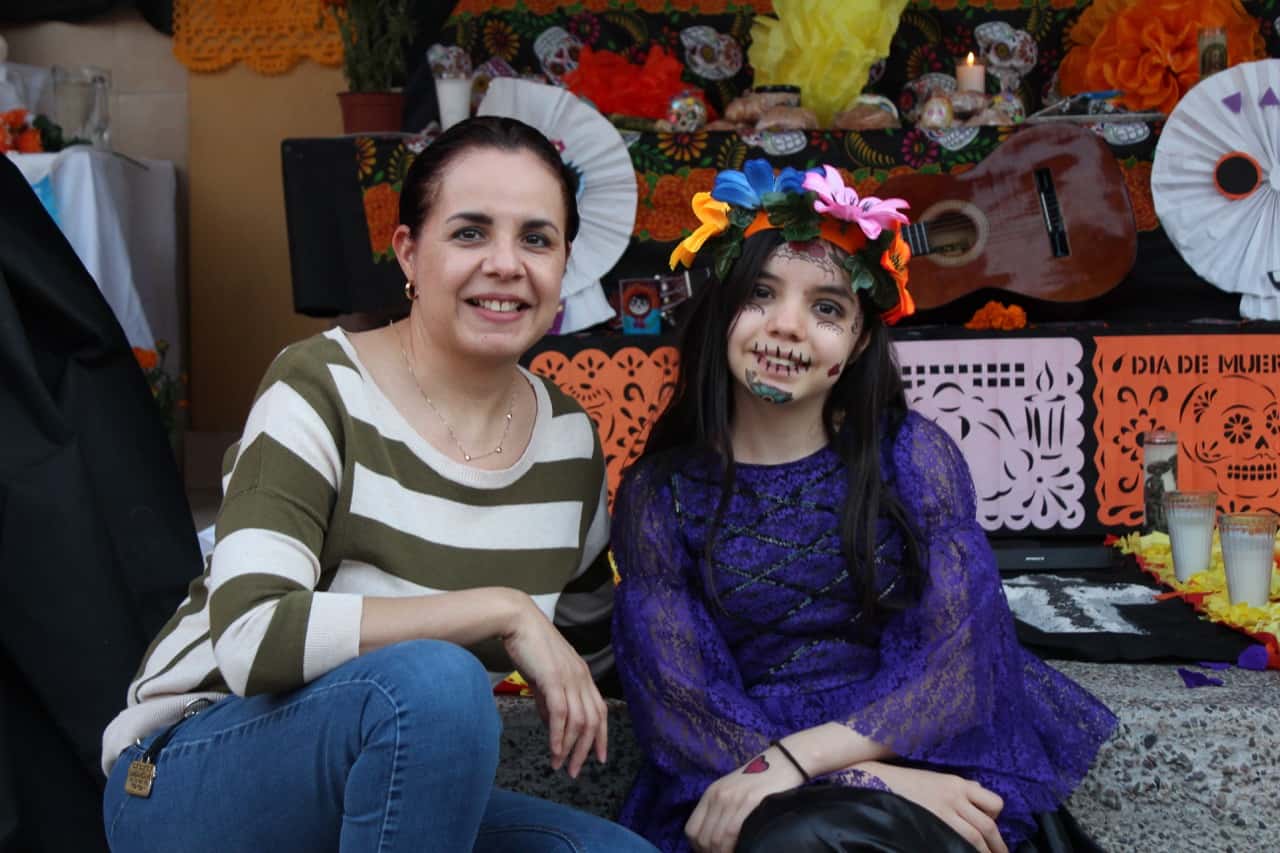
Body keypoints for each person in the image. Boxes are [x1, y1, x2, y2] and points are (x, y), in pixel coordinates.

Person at [100, 116, 658, 853]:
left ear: (563, 267)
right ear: (409, 253)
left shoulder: (567, 440)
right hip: (192, 772)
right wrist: (501, 608)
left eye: (536, 238)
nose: (505, 263)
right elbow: (249, 636)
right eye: (469, 233)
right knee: (435, 683)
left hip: (393, 774)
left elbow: (585, 647)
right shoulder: (320, 386)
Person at [609, 160, 1117, 853]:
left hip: (921, 761)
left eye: (826, 308)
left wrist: (854, 771)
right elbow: (680, 706)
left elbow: (958, 662)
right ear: (721, 308)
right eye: (761, 293)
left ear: (859, 342)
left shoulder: (910, 457)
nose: (787, 327)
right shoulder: (658, 496)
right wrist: (835, 773)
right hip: (739, 773)